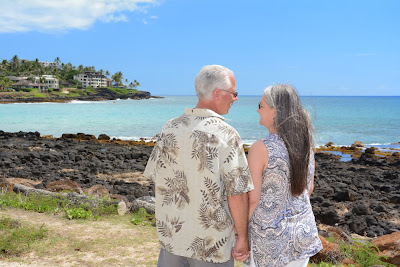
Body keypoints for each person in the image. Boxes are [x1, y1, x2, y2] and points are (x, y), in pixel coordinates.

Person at [143, 65, 254, 266]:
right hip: (211, 246)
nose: (236, 98)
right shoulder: (226, 135)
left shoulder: (170, 128)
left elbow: (157, 177)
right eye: (234, 93)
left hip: (173, 238)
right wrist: (243, 238)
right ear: (217, 94)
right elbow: (237, 193)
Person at [245, 84, 322, 267]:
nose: (257, 109)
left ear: (274, 112)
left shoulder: (260, 148)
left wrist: (239, 232)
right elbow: (308, 188)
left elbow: (252, 199)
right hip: (302, 233)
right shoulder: (306, 143)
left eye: (260, 105)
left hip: (269, 241)